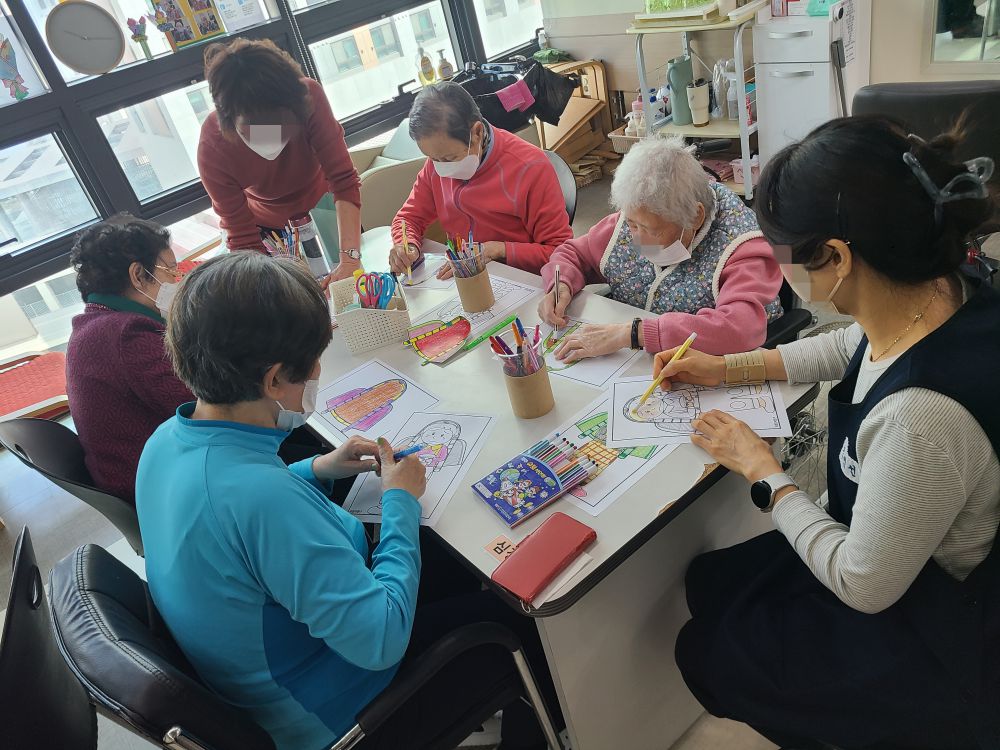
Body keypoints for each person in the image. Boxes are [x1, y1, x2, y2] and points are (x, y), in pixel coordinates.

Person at [656, 116, 1000, 749]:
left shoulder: (919, 421)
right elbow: (852, 346)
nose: (779, 269)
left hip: (927, 619)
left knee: (705, 651)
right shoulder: (941, 288)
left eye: (783, 254)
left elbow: (864, 586)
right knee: (710, 583)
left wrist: (764, 472)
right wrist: (725, 367)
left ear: (838, 258)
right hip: (883, 539)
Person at [136, 252, 560, 750]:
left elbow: (232, 518)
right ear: (274, 380)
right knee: (523, 620)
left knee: (454, 559)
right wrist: (399, 500)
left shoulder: (166, 440)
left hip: (258, 671)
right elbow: (381, 641)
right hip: (340, 713)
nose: (318, 370)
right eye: (313, 361)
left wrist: (317, 468)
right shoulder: (263, 502)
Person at [537, 137, 782, 361]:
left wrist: (635, 333)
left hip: (715, 366)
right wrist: (561, 285)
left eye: (651, 231)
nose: (637, 239)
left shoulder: (742, 244)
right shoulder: (637, 214)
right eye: (632, 224)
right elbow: (573, 254)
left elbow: (739, 328)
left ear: (695, 217)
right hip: (638, 360)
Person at [198, 38, 363, 281]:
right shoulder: (213, 146)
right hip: (270, 231)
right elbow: (242, 236)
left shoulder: (308, 97)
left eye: (281, 125)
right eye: (254, 129)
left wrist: (350, 258)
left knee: (353, 282)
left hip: (329, 209)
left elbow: (343, 180)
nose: (271, 137)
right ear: (229, 119)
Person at [388, 82, 573, 280]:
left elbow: (559, 251)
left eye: (450, 158)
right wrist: (406, 245)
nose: (442, 168)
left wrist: (498, 250)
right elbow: (409, 218)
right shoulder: (436, 164)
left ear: (477, 132)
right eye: (434, 159)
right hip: (465, 277)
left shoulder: (529, 168)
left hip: (522, 281)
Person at [65, 217, 193, 503]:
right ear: (138, 275)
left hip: (142, 476)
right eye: (171, 271)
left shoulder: (97, 324)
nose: (177, 281)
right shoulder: (126, 334)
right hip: (164, 489)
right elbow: (202, 405)